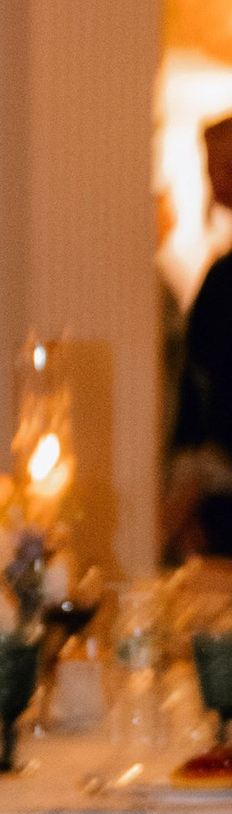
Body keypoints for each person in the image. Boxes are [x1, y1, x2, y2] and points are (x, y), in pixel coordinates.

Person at [166, 114, 232, 558]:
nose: (219, 180)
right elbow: (196, 389)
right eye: (212, 167)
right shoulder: (221, 277)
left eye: (229, 165)